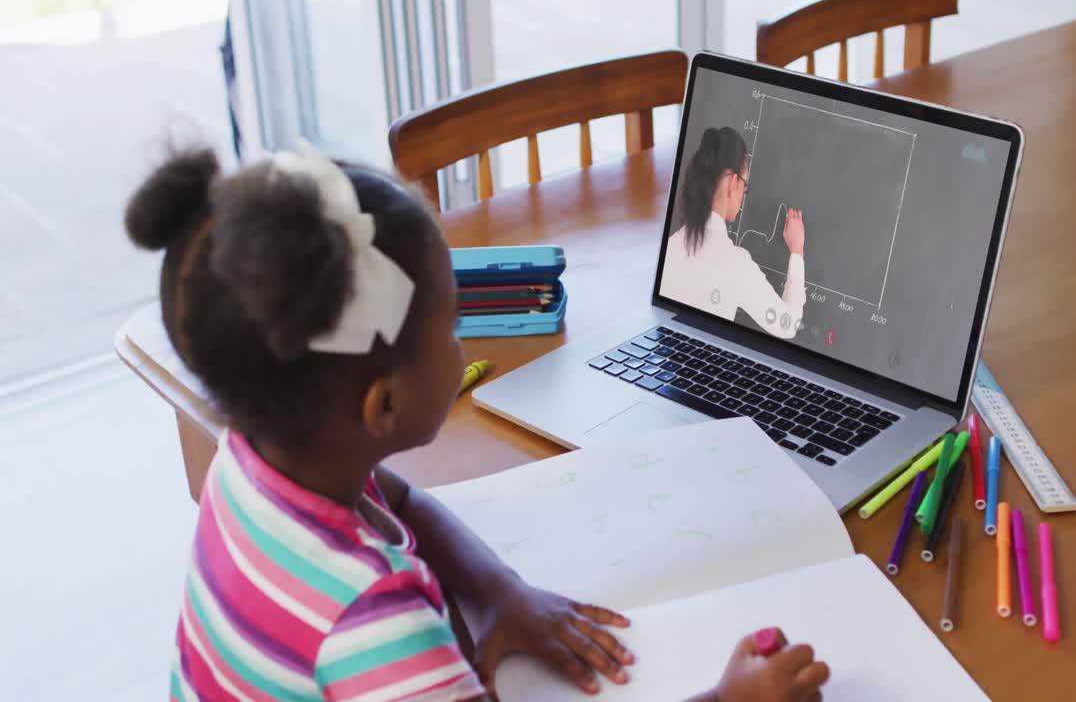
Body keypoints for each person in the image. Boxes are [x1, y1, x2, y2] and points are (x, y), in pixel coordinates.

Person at [125, 144, 830, 701]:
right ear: (383, 406)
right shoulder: (376, 625)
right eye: (453, 327)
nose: (466, 347)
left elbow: (402, 502)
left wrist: (500, 592)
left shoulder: (256, 459)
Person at [661, 127, 807, 338]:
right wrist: (797, 251)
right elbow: (787, 324)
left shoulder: (670, 246)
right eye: (744, 187)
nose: (742, 197)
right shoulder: (734, 264)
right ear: (733, 182)